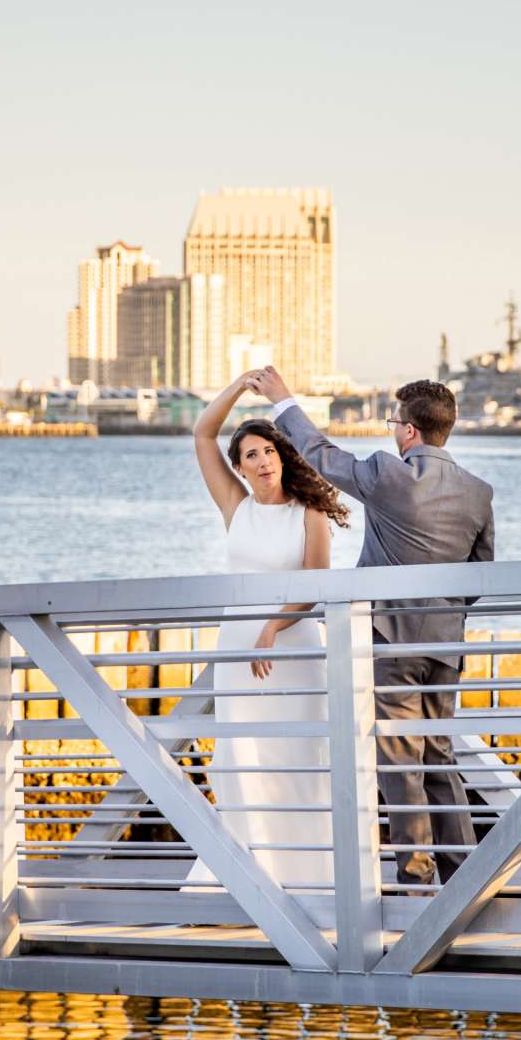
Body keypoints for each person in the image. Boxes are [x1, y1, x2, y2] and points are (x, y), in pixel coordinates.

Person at [252, 366, 495, 886]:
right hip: (446, 642)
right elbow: (479, 577)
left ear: (409, 431)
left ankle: (415, 877)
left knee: (401, 758)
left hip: (391, 641)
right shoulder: (479, 491)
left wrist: (283, 401)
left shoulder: (389, 474)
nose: (391, 430)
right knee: (440, 755)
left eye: (393, 422)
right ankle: (462, 875)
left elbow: (320, 455)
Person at [185, 370, 351, 891]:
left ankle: (307, 877)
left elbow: (317, 584)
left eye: (268, 452)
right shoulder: (235, 508)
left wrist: (273, 627)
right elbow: (202, 434)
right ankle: (243, 878)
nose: (261, 462)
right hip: (238, 648)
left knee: (297, 757)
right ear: (239, 467)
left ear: (283, 457)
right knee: (238, 758)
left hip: (292, 648)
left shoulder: (310, 513)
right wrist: (239, 387)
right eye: (251, 455)